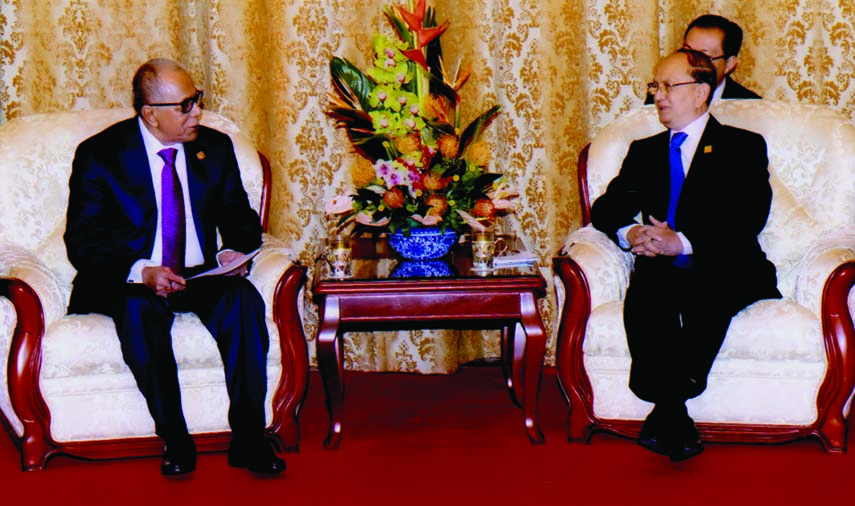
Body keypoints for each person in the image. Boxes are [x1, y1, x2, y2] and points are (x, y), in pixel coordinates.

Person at [64, 58, 285, 476]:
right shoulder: (100, 155)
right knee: (138, 309)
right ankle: (177, 440)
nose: (197, 112)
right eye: (185, 105)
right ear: (150, 113)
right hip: (132, 278)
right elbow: (82, 242)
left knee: (242, 300)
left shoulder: (215, 148)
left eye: (196, 100)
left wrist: (233, 252)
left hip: (199, 272)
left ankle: (249, 440)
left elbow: (241, 220)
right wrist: (141, 270)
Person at [591, 49, 780, 462]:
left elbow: (748, 217)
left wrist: (684, 241)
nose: (658, 95)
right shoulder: (645, 150)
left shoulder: (742, 146)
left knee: (706, 293)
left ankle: (667, 406)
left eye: (667, 86)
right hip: (660, 264)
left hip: (727, 263)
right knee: (649, 290)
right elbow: (604, 209)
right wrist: (633, 231)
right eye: (654, 86)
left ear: (700, 92)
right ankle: (674, 412)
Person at [644, 14, 760, 104]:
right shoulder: (662, 94)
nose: (691, 62)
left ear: (729, 64)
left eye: (704, 57)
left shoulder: (750, 106)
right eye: (687, 52)